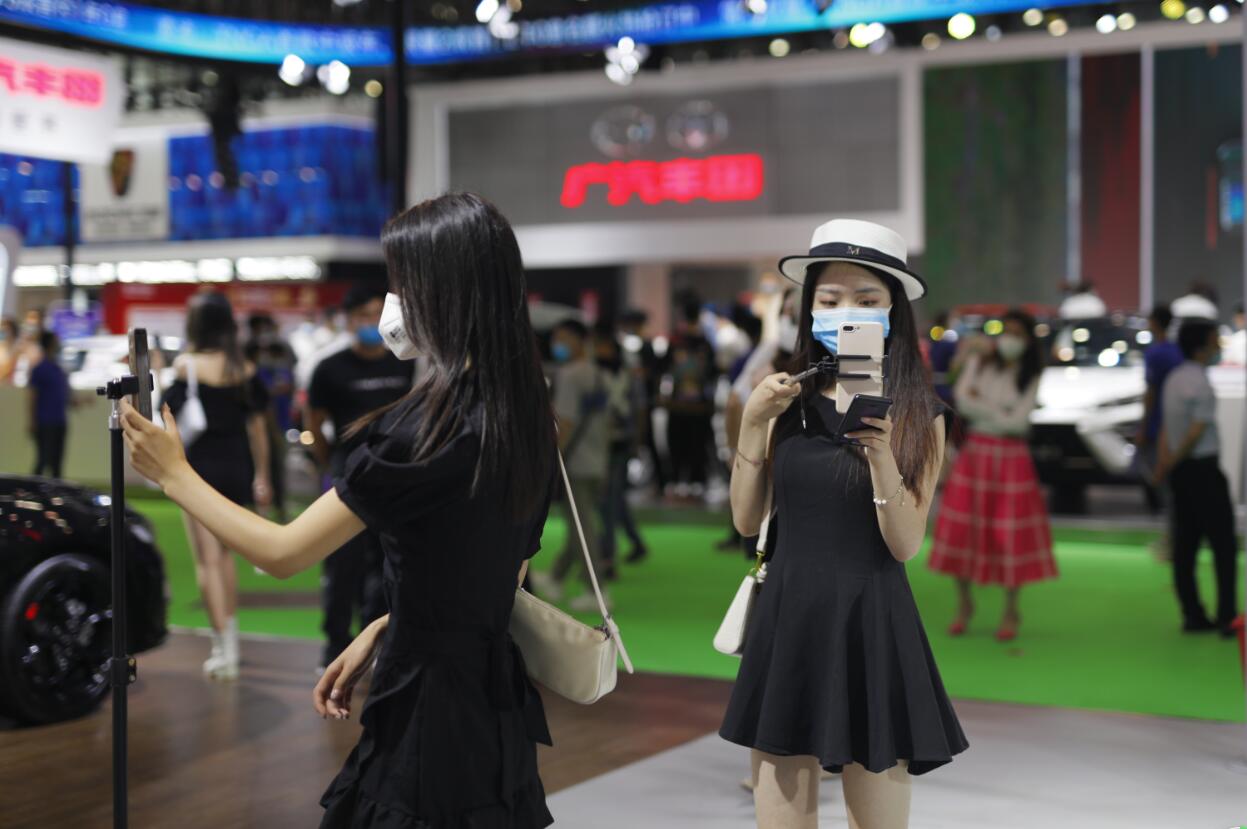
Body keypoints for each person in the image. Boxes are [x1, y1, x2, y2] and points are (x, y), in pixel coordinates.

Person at [121, 192, 559, 828]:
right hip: (494, 711)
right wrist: (388, 625)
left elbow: (282, 553)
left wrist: (174, 475)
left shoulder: (421, 432)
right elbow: (502, 574)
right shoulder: (525, 416)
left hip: (427, 717)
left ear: (441, 293)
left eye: (402, 282)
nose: (393, 302)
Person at [721, 219, 968, 829]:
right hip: (789, 618)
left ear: (893, 310)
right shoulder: (785, 402)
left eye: (865, 299)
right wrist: (753, 424)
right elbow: (747, 521)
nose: (845, 312)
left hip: (872, 622)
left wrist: (881, 453)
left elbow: (905, 544)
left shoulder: (920, 414)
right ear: (809, 308)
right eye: (829, 300)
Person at [162, 291, 272, 680]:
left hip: (199, 471)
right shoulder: (243, 368)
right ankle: (233, 644)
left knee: (207, 560)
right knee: (225, 557)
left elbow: (168, 419)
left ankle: (221, 648)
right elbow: (258, 430)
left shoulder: (185, 366)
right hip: (236, 469)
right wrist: (262, 475)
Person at [928, 309, 1057, 641]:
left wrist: (984, 405)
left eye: (1017, 334)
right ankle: (964, 604)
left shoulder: (1031, 374)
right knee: (962, 531)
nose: (1009, 339)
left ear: (1028, 341)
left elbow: (1018, 422)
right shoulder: (980, 361)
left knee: (1010, 535)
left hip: (1012, 460)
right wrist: (1001, 412)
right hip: (976, 455)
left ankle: (1011, 610)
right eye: (1006, 332)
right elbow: (963, 401)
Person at [307, 283, 415, 669]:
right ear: (348, 321)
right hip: (348, 477)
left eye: (375, 314)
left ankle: (375, 646)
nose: (370, 322)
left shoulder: (405, 363)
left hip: (397, 478)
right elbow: (314, 423)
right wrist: (331, 464)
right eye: (362, 316)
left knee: (388, 565)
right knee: (343, 566)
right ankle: (335, 646)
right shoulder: (329, 369)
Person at [1153, 320, 1239, 638]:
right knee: (1223, 545)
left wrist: (1165, 464)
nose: (1219, 346)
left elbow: (1167, 428)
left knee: (1186, 544)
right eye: (1215, 340)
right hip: (1202, 469)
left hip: (1181, 473)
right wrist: (1175, 459)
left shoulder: (1173, 379)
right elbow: (1195, 431)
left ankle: (1192, 613)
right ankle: (1227, 616)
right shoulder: (1200, 383)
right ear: (1202, 346)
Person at [528, 319, 613, 612]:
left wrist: (550, 458)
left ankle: (596, 590)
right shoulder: (599, 374)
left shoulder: (568, 375)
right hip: (597, 459)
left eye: (564, 337)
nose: (558, 344)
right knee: (582, 521)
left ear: (580, 340)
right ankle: (556, 576)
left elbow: (565, 422)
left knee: (582, 527)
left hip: (575, 462)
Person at [593, 324, 648, 573]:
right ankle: (635, 543)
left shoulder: (626, 376)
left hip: (619, 443)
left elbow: (640, 409)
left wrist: (638, 441)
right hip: (600, 443)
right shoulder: (595, 373)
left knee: (609, 500)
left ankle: (608, 556)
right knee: (614, 499)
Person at [663, 296, 717, 498]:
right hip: (689, 404)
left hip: (688, 405)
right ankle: (689, 480)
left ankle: (687, 480)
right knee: (690, 444)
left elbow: (664, 370)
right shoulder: (702, 343)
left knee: (687, 444)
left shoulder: (681, 342)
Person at [1136, 304, 1184, 515]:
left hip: (1157, 420)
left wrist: (1143, 426)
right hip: (1178, 419)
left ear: (1154, 322)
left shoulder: (1154, 353)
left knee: (1157, 470)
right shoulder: (1178, 352)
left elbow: (1151, 392)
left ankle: (1165, 516)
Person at [28, 331, 70, 478]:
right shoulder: (39, 369)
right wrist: (32, 421)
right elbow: (32, 396)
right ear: (50, 344)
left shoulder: (58, 370)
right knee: (43, 460)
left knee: (57, 463)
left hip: (59, 422)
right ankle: (33, 489)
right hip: (45, 422)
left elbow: (65, 397)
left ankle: (55, 490)